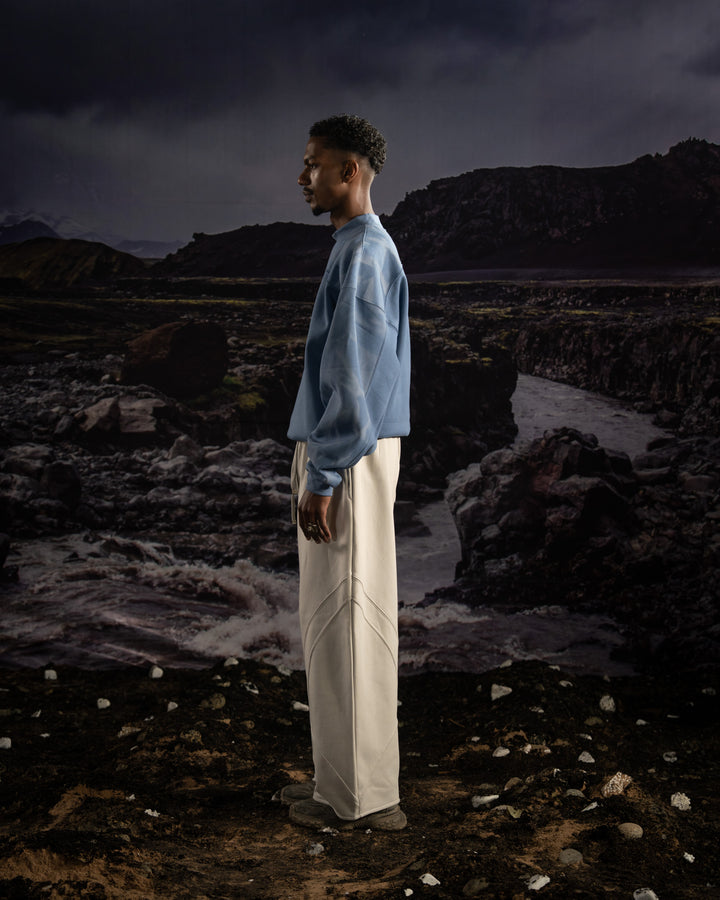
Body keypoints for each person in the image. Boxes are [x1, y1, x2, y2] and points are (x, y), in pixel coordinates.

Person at [284, 114, 411, 831]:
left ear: (350, 171)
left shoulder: (364, 253)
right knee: (336, 621)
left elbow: (355, 377)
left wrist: (325, 474)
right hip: (349, 452)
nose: (303, 177)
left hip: (350, 457)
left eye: (314, 164)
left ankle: (364, 801)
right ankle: (340, 787)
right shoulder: (356, 247)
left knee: (350, 617)